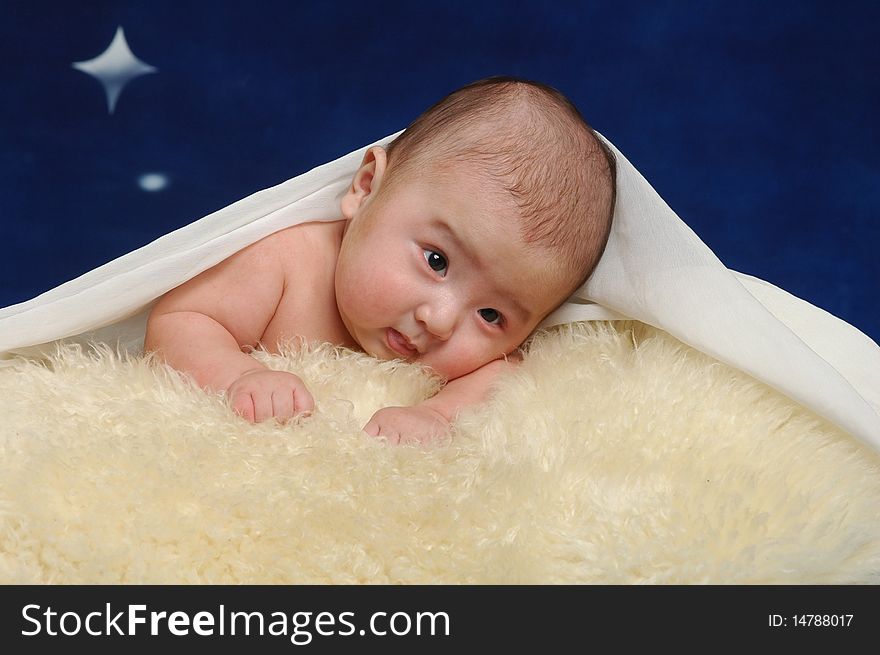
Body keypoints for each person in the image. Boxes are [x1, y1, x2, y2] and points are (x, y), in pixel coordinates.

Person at [143, 76, 616, 443]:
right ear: (366, 188)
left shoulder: (484, 356)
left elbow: (506, 376)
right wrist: (239, 376)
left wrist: (435, 414)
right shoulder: (287, 261)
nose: (440, 320)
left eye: (492, 315)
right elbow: (183, 317)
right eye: (436, 260)